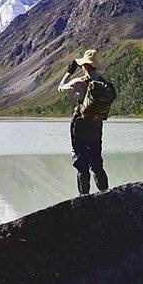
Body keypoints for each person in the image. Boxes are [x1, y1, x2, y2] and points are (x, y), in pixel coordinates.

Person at [57, 49, 114, 195]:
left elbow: (61, 87)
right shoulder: (104, 84)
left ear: (84, 66)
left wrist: (69, 72)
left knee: (82, 165)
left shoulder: (79, 83)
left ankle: (84, 198)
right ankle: (106, 194)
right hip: (96, 126)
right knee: (96, 163)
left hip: (80, 127)